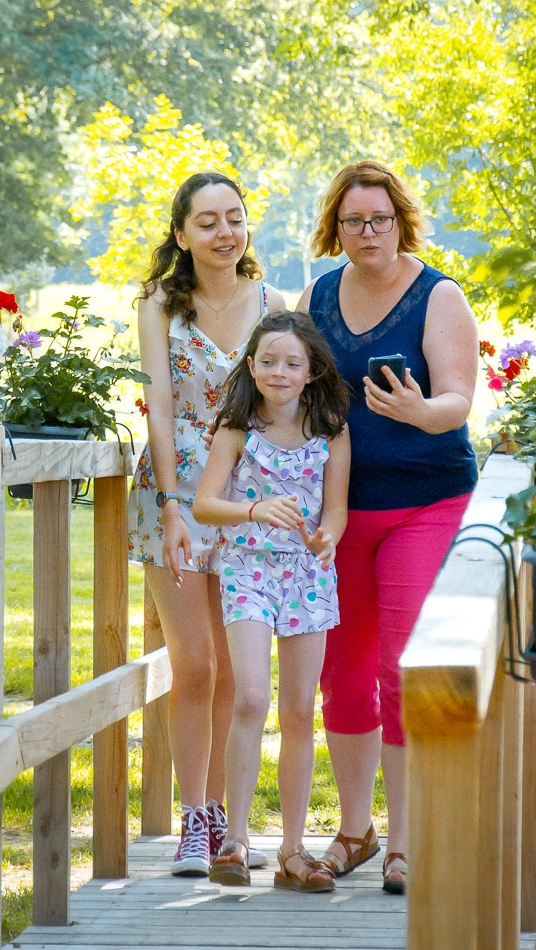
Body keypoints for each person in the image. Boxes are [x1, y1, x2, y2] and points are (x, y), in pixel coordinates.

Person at [298, 161, 478, 895]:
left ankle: (406, 841)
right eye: (352, 221)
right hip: (340, 511)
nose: (366, 232)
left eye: (378, 219)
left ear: (401, 220)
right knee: (341, 675)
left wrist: (418, 412)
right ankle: (355, 831)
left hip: (425, 502)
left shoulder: (439, 296)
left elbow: (459, 400)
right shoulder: (318, 295)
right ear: (335, 229)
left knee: (401, 666)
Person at [128, 172, 287, 874]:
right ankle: (193, 817)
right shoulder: (161, 304)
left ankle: (224, 816)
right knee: (194, 662)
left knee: (235, 672)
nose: (225, 233)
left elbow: (282, 408)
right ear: (182, 233)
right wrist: (169, 503)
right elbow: (160, 407)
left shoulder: (273, 304)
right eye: (208, 222)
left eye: (236, 218)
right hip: (175, 495)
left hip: (245, 501)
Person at [191, 311, 351, 891]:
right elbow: (207, 504)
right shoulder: (237, 426)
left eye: (291, 363)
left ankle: (291, 849)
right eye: (267, 361)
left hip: (308, 574)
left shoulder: (331, 428)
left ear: (311, 372)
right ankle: (234, 842)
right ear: (251, 366)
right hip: (247, 570)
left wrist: (326, 536)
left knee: (299, 711)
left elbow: (336, 507)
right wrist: (255, 510)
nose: (278, 372)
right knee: (251, 697)